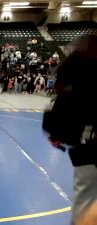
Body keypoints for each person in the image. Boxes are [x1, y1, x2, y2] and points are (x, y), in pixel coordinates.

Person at [42, 35, 97, 225]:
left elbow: (63, 101)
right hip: (87, 145)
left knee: (86, 201)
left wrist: (55, 132)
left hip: (89, 147)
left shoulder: (78, 69)